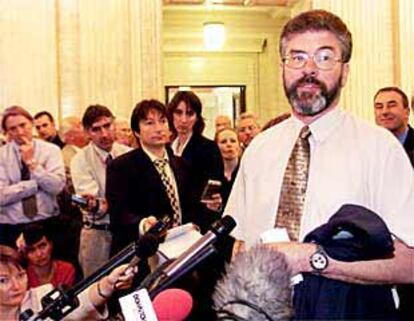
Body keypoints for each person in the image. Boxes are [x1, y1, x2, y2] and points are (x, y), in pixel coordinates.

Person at [225, 9, 414, 319]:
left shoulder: (380, 149)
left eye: (324, 58)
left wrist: (315, 260)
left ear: (346, 72)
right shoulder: (259, 148)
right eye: (297, 58)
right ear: (282, 68)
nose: (308, 69)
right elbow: (241, 246)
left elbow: (409, 263)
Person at [71, 105, 131, 277]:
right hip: (98, 233)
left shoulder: (128, 153)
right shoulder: (80, 160)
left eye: (107, 126)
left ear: (114, 125)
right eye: (96, 129)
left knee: (128, 287)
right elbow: (98, 205)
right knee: (96, 291)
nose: (104, 134)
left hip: (126, 232)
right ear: (87, 132)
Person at [0, 244, 135, 321]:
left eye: (20, 275)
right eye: (3, 280)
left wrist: (107, 284)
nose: (16, 286)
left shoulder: (41, 296)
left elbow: (81, 303)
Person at [0, 106, 66, 247]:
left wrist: (32, 164)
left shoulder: (51, 150)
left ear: (31, 123)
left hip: (46, 222)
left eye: (23, 125)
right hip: (11, 227)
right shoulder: (1, 156)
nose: (19, 132)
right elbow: (1, 196)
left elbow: (57, 187)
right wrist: (33, 185)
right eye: (12, 129)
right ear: (7, 132)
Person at [167, 91, 224, 232]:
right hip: (170, 226)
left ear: (197, 117)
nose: (183, 120)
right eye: (178, 113)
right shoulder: (166, 148)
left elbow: (213, 192)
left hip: (197, 227)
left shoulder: (208, 148)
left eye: (190, 114)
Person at [17, 223, 76, 289]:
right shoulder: (22, 276)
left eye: (42, 246)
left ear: (51, 245)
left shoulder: (66, 269)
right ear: (25, 255)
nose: (39, 254)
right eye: (31, 250)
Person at [374, 86, 414, 166]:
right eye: (379, 107)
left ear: (407, 112)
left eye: (392, 105)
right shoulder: (367, 147)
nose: (384, 112)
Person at [214, 128, 241, 208]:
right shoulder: (211, 173)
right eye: (223, 142)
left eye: (233, 141)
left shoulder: (247, 171)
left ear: (239, 145)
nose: (229, 145)